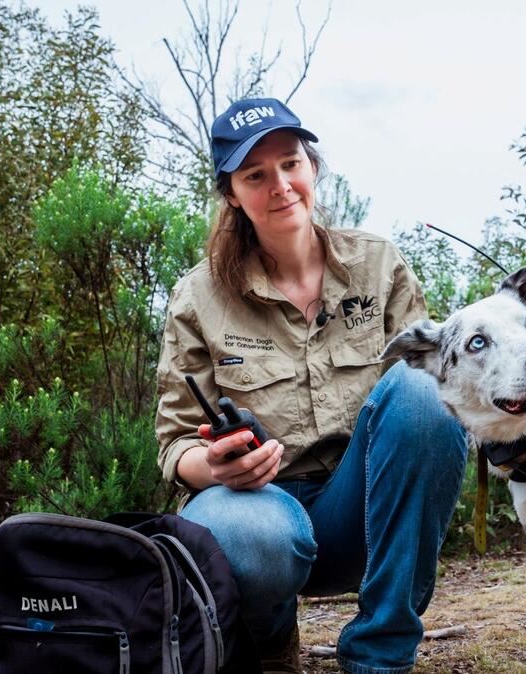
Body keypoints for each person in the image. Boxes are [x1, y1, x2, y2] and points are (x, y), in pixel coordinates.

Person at [154, 97, 469, 674]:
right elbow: (175, 444)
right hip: (257, 513)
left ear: (313, 167)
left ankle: (380, 656)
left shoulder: (379, 266)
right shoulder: (197, 297)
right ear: (232, 194)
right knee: (252, 532)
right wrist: (215, 467)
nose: (280, 185)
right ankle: (269, 647)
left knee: (427, 390)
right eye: (256, 175)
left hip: (366, 510)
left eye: (291, 163)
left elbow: (438, 395)